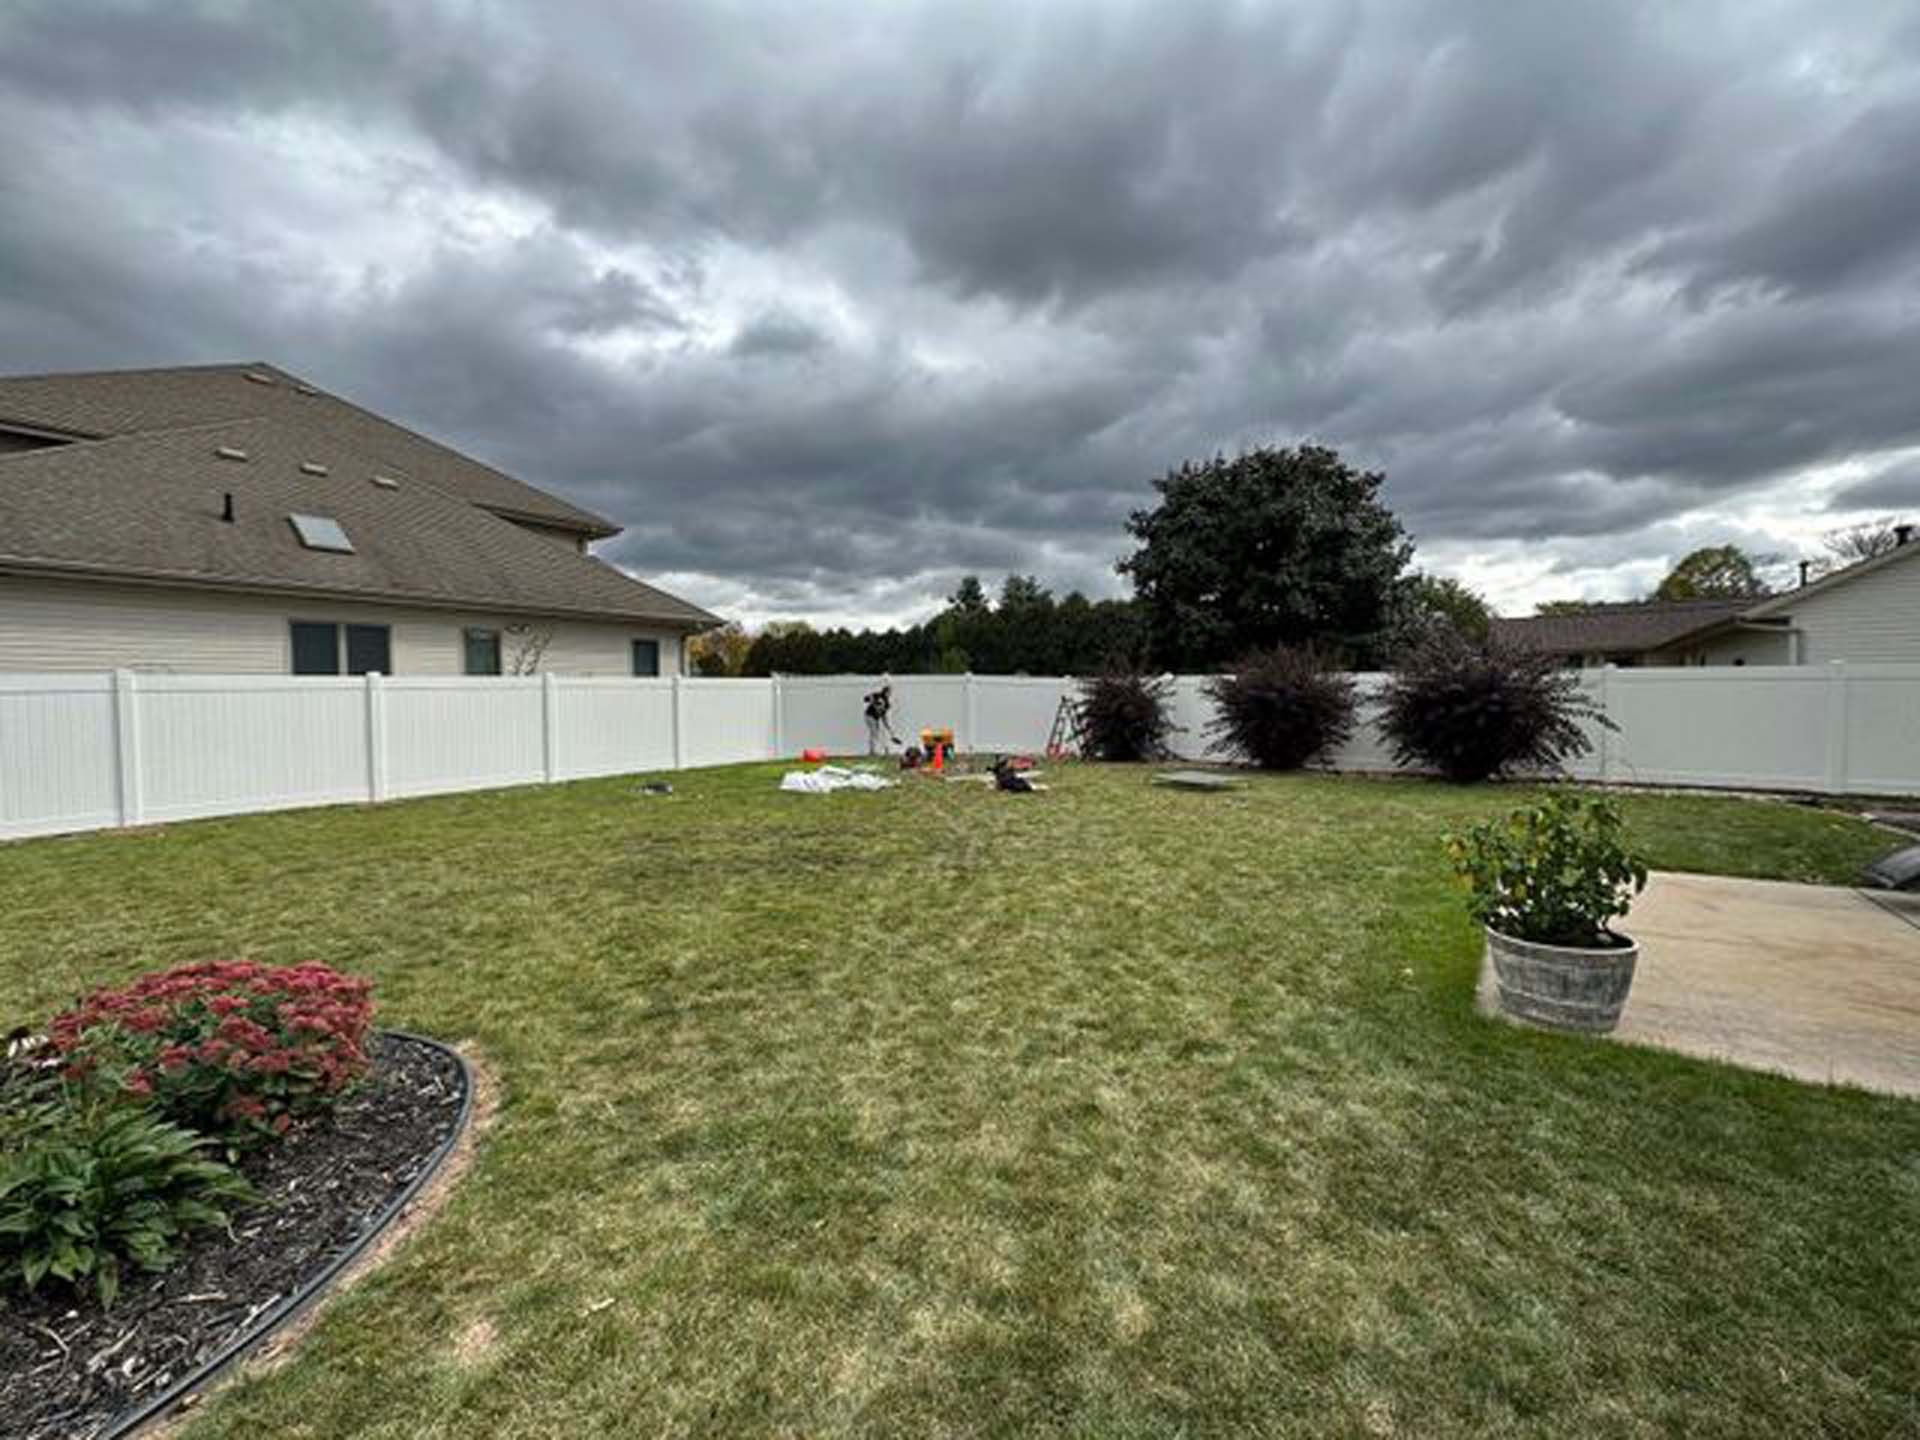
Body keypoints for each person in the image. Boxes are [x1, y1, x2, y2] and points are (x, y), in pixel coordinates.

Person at [862, 684, 898, 754]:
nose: (890, 694)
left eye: (890, 692)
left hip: (876, 718)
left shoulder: (887, 703)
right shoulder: (877, 695)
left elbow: (884, 716)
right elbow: (865, 699)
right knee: (874, 733)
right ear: (885, 691)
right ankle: (872, 751)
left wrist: (889, 728)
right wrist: (872, 700)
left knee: (877, 732)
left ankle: (883, 750)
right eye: (889, 692)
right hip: (869, 716)